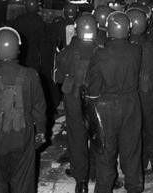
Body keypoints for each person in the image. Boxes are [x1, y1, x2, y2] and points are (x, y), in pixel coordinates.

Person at [0, 26, 47, 193]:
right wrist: (41, 132)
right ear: (18, 49)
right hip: (22, 137)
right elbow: (40, 108)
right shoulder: (31, 75)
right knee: (23, 184)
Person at [86, 11, 143, 193]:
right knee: (132, 152)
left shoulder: (100, 53)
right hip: (131, 105)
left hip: (106, 107)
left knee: (105, 155)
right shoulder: (136, 50)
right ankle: (134, 187)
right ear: (128, 29)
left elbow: (93, 88)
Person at [56, 14, 101, 193]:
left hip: (74, 98)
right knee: (97, 136)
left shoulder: (68, 51)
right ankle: (95, 173)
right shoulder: (101, 50)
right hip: (95, 99)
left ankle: (81, 180)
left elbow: (59, 75)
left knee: (77, 139)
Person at [127, 8, 153, 187]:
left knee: (135, 138)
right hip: (152, 96)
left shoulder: (126, 48)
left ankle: (138, 173)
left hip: (133, 99)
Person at [12, 0, 46, 72]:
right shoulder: (39, 21)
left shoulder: (18, 20)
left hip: (20, 53)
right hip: (33, 54)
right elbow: (42, 40)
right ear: (37, 6)